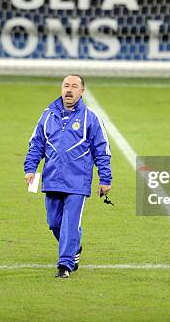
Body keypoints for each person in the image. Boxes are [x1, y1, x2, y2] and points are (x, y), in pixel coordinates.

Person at [24, 74, 112, 278]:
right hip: (52, 178)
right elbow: (36, 144)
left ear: (82, 91)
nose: (69, 90)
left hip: (77, 182)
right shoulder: (47, 115)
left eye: (74, 86)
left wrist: (105, 178)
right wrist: (30, 169)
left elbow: (102, 148)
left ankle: (65, 265)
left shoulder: (91, 118)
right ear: (61, 89)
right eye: (66, 85)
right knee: (54, 223)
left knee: (70, 223)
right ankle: (74, 248)